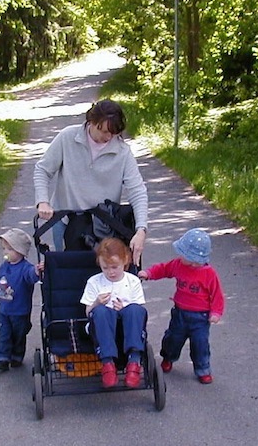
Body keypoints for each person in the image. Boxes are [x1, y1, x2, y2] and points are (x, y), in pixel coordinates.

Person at [33, 98, 148, 264]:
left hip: (102, 226)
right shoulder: (68, 138)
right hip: (66, 220)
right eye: (104, 131)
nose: (109, 137)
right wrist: (42, 201)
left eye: (113, 133)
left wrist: (141, 229)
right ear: (91, 122)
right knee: (68, 276)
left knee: (105, 277)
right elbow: (42, 170)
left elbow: (137, 191)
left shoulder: (122, 152)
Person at [138, 228, 224, 384]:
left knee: (200, 344)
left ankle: (202, 369)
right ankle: (168, 358)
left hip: (200, 318)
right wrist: (149, 273)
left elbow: (217, 294)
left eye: (183, 254)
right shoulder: (178, 264)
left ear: (193, 259)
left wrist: (216, 312)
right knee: (173, 338)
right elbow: (164, 269)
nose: (179, 256)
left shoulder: (208, 273)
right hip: (180, 313)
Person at [80, 238, 147, 388]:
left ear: (125, 261)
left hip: (126, 326)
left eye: (115, 267)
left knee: (135, 310)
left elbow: (140, 311)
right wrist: (97, 302)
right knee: (101, 311)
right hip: (101, 325)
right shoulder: (94, 282)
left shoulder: (133, 281)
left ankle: (134, 362)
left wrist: (124, 308)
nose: (110, 272)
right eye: (105, 268)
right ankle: (108, 365)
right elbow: (87, 312)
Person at [0, 228, 41, 371]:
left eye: (10, 249)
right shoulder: (4, 267)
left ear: (20, 251)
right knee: (4, 334)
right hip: (4, 310)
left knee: (19, 335)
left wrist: (37, 271)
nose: (5, 252)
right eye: (4, 249)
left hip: (20, 311)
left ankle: (17, 356)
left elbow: (31, 277)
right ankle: (2, 358)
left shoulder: (26, 268)